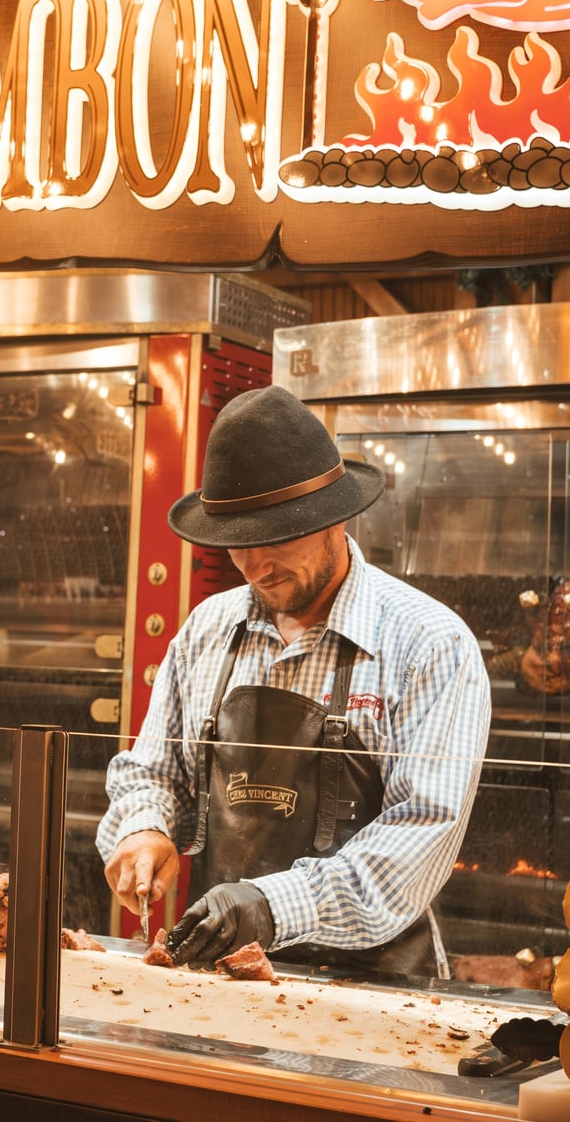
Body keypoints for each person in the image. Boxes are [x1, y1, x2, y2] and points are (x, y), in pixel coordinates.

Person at [96, 386, 491, 978]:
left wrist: (270, 905)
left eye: (277, 537)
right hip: (218, 972)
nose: (256, 567)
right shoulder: (206, 631)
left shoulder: (430, 644)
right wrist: (144, 828)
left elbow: (419, 832)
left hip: (373, 983)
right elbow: (154, 773)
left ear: (335, 516)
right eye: (237, 544)